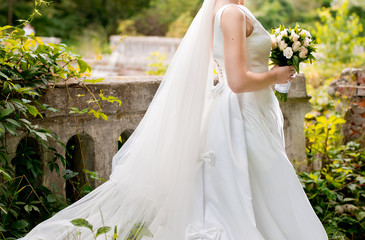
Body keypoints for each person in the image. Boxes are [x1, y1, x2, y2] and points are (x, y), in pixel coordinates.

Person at [20, 0, 328, 239]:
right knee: (261, 181)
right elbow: (235, 81)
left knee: (261, 184)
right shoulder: (231, 12)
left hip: (253, 109)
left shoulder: (234, 8)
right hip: (241, 115)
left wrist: (279, 63)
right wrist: (275, 75)